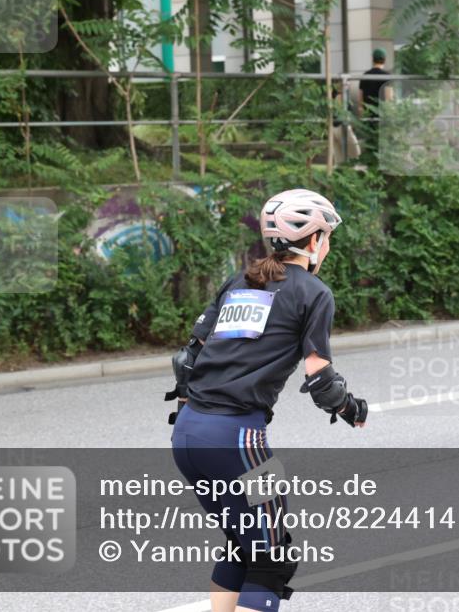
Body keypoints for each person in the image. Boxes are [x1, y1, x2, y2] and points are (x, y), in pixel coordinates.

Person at [166, 188, 368, 612]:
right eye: (327, 236)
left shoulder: (241, 280)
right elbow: (320, 377)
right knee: (274, 559)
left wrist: (195, 417)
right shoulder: (314, 292)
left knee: (245, 544)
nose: (328, 245)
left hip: (187, 434)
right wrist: (351, 409)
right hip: (239, 440)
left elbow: (188, 358)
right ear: (313, 241)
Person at [357, 47, 393, 163]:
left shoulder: (365, 76)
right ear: (385, 60)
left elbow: (360, 98)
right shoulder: (387, 76)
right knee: (383, 144)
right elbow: (389, 98)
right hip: (382, 116)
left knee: (370, 144)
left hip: (368, 115)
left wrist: (361, 112)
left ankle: (372, 166)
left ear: (373, 59)